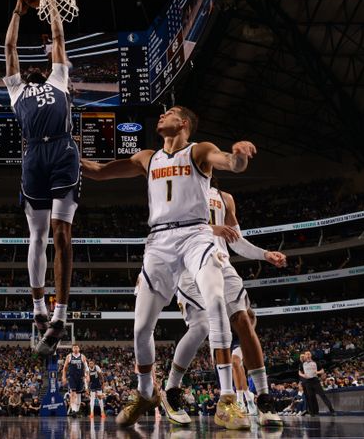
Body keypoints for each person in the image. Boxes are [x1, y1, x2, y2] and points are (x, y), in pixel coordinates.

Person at [81, 106, 257, 429]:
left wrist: (239, 155)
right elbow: (100, 171)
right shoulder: (149, 158)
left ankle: (227, 400)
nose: (162, 115)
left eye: (171, 113)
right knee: (140, 327)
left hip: (195, 234)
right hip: (159, 241)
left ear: (184, 123)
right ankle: (146, 393)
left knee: (216, 301)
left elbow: (231, 163)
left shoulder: (199, 150)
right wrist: (70, 159)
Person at [165, 184, 286, 427]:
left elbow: (235, 240)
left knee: (243, 319)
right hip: (189, 265)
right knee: (200, 327)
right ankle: (171, 390)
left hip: (221, 263)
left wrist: (265, 254)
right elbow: (170, 231)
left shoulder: (224, 197)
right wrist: (210, 228)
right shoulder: (176, 188)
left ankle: (263, 397)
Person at [4, 0, 80, 355]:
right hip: (34, 153)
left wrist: (52, 4)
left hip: (63, 149)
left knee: (61, 233)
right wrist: (18, 12)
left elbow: (59, 38)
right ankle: (37, 307)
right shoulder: (16, 90)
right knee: (37, 236)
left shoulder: (59, 80)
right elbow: (9, 47)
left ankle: (61, 315)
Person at [299, 350, 335, 416]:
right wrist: (303, 375)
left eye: (309, 354)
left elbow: (322, 370)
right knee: (311, 397)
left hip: (315, 381)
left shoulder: (316, 362)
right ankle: (313, 413)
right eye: (306, 354)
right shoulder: (302, 364)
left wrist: (317, 372)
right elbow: (299, 372)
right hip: (308, 382)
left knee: (322, 395)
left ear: (311, 355)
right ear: (305, 356)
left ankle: (331, 410)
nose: (308, 355)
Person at [62, 344, 89, 417]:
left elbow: (86, 368)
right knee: (73, 393)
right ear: (72, 349)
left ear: (79, 349)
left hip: (80, 377)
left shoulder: (82, 356)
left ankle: (76, 410)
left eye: (77, 347)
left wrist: (87, 376)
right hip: (72, 377)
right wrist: (64, 377)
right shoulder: (69, 356)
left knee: (79, 395)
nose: (76, 349)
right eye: (74, 348)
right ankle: (73, 410)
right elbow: (64, 368)